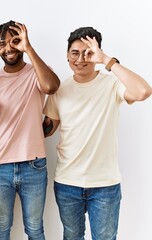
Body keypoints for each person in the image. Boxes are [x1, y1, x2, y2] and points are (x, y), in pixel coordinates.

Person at [43, 27, 152, 240]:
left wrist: (107, 61)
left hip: (105, 186)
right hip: (67, 183)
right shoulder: (60, 90)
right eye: (75, 52)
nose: (81, 58)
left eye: (88, 52)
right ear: (67, 55)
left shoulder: (112, 84)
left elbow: (143, 91)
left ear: (97, 54)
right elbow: (46, 130)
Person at [0, 20, 60, 240]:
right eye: (2, 44)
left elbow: (51, 87)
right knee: (2, 226)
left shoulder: (38, 72)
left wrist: (28, 47)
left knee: (34, 227)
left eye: (15, 41)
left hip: (33, 164)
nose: (9, 48)